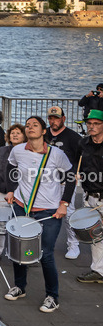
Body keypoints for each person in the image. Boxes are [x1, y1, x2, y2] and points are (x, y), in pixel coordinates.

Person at [4, 116, 74, 313]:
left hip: (49, 210)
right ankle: (20, 287)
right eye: (27, 125)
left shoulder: (57, 154)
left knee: (46, 254)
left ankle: (52, 296)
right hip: (21, 207)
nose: (30, 128)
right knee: (19, 250)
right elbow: (10, 166)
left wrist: (64, 204)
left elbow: (70, 177)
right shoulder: (18, 150)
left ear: (44, 131)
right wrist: (11, 188)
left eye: (35, 125)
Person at [44, 105, 83, 260]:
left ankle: (73, 245)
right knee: (44, 213)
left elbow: (82, 157)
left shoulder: (74, 138)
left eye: (57, 118)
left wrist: (79, 172)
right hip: (46, 181)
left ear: (63, 118)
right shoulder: (44, 134)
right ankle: (44, 244)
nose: (53, 121)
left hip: (66, 182)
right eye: (51, 118)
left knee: (69, 213)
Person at [0, 124, 26, 257]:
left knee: (22, 223)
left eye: (18, 133)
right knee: (0, 223)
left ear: (25, 136)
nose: (14, 135)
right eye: (12, 133)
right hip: (2, 192)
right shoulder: (2, 151)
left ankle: (23, 252)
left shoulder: (28, 152)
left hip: (23, 194)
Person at [75, 110, 103, 284]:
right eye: (89, 123)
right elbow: (79, 164)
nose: (91, 127)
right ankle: (98, 271)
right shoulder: (83, 143)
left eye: (96, 123)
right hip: (91, 196)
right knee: (96, 236)